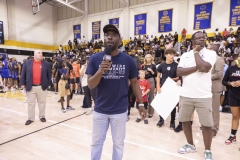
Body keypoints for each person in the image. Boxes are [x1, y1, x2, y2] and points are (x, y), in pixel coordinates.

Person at [86, 24, 146, 160]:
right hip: (100, 109)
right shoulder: (95, 59)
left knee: (118, 144)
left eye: (113, 35)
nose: (109, 37)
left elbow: (135, 83)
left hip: (119, 111)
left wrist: (141, 104)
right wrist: (100, 71)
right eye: (107, 34)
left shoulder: (128, 60)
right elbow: (90, 85)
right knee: (96, 143)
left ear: (120, 39)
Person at [177, 31, 216, 160]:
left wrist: (196, 53)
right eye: (198, 38)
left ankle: (207, 150)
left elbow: (204, 67)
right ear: (193, 41)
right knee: (184, 120)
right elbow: (179, 71)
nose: (201, 39)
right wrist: (196, 67)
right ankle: (190, 144)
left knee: (207, 124)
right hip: (186, 94)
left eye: (203, 38)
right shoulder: (185, 55)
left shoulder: (210, 53)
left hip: (203, 96)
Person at [20, 50, 52, 125]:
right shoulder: (27, 63)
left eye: (42, 53)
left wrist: (47, 84)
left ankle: (42, 116)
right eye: (39, 53)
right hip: (30, 86)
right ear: (34, 54)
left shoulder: (46, 64)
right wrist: (22, 83)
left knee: (42, 102)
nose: (41, 54)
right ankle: (31, 118)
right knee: (31, 103)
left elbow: (49, 74)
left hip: (42, 87)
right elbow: (23, 73)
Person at [156, 48, 181, 129]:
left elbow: (179, 77)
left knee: (172, 106)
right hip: (163, 87)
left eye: (173, 54)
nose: (172, 56)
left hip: (172, 88)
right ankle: (161, 120)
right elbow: (158, 77)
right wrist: (158, 86)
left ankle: (172, 122)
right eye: (170, 54)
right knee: (161, 105)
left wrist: (172, 79)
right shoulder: (161, 65)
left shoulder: (176, 65)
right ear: (166, 55)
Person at [222, 53, 240, 146]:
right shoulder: (231, 68)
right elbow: (224, 81)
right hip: (233, 95)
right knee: (235, 116)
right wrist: (230, 83)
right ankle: (233, 136)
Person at [207, 44, 225, 137]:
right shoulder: (207, 59)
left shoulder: (219, 59)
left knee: (214, 109)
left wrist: (206, 77)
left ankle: (215, 128)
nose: (207, 49)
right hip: (207, 87)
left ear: (213, 50)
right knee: (208, 108)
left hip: (215, 87)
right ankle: (208, 125)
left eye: (209, 48)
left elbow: (218, 74)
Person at [142, 54, 157, 118]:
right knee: (143, 96)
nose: (148, 59)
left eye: (149, 57)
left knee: (151, 97)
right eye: (147, 58)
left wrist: (151, 71)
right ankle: (143, 111)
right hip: (144, 80)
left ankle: (151, 112)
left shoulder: (153, 66)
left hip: (151, 80)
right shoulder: (143, 66)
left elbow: (155, 74)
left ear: (151, 58)